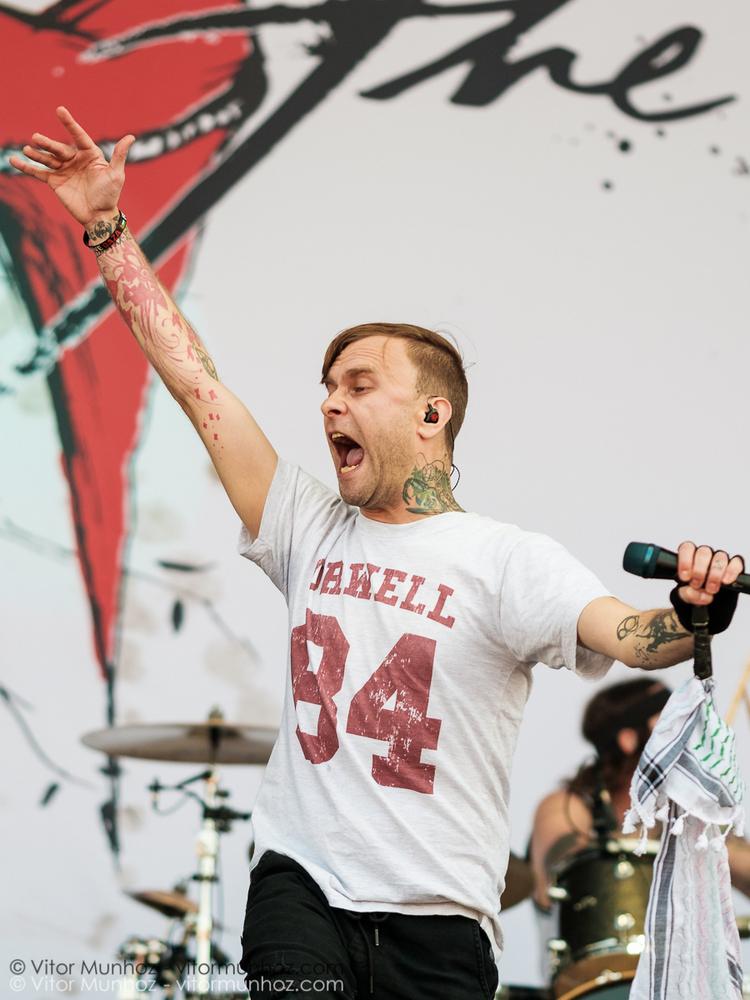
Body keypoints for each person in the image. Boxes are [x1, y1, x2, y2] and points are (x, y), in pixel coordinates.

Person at [11, 108, 746, 1000]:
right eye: (325, 389)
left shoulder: (505, 559)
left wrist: (696, 611)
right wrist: (106, 227)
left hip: (438, 921)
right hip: (300, 894)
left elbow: (633, 635)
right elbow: (196, 380)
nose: (329, 406)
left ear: (433, 416)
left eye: (359, 386)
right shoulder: (304, 524)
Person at [530, 679, 750, 980]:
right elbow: (566, 856)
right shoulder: (565, 806)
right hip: (589, 986)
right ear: (629, 739)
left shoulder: (692, 813)